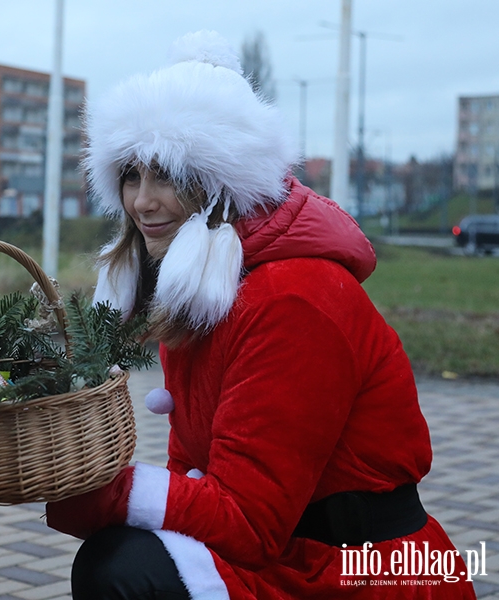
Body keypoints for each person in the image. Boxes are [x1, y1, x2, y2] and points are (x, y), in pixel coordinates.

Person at [45, 31, 476, 599]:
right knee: (118, 561)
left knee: (123, 568)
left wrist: (100, 492)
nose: (142, 201)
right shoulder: (203, 285)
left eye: (167, 174)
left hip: (366, 574)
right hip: (291, 555)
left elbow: (250, 521)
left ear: (222, 180)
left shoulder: (293, 297)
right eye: (130, 175)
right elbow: (196, 472)